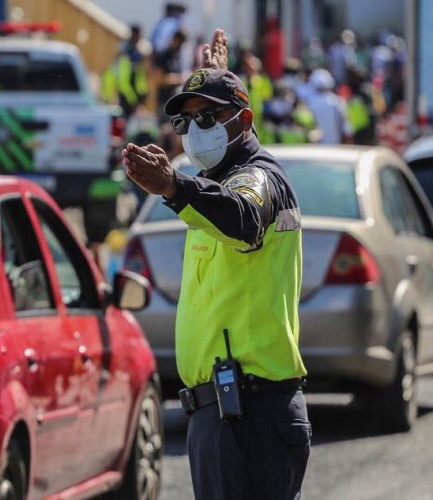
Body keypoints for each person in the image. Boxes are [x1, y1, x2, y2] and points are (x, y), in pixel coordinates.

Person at [122, 29, 310, 500]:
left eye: (208, 117)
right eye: (187, 122)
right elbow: (233, 175)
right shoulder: (224, 177)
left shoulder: (259, 179)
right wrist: (221, 77)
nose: (195, 131)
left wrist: (174, 188)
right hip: (222, 416)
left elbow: (244, 214)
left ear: (242, 120)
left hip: (250, 414)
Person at [101, 24, 149, 119]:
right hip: (127, 96)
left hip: (132, 96)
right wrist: (133, 99)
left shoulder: (136, 52)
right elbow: (123, 81)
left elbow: (139, 77)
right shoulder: (125, 52)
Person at [305, 68, 350, 144]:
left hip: (316, 148)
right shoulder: (337, 101)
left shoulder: (310, 103)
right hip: (336, 146)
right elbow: (347, 129)